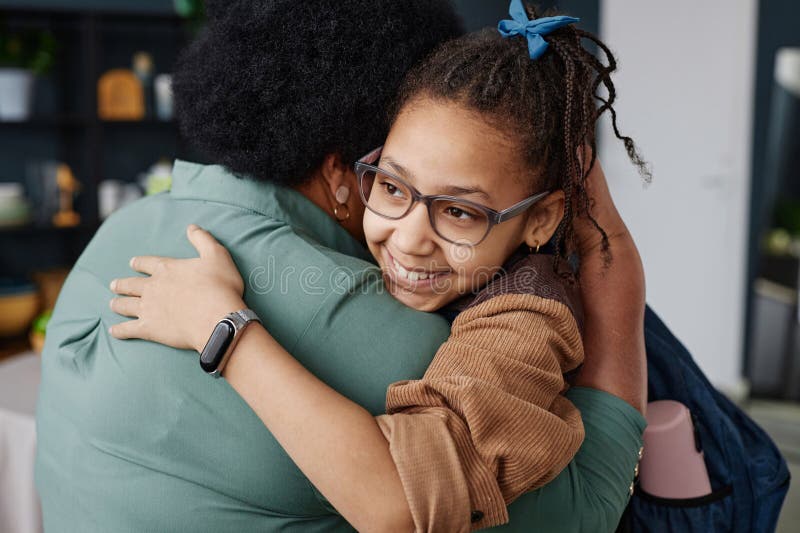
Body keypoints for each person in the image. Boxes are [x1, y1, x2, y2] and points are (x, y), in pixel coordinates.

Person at [36, 2, 645, 532]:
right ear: (347, 171)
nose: (409, 239)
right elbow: (586, 508)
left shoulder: (122, 233)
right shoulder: (390, 339)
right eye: (390, 185)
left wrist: (223, 327)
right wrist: (608, 244)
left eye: (459, 211)